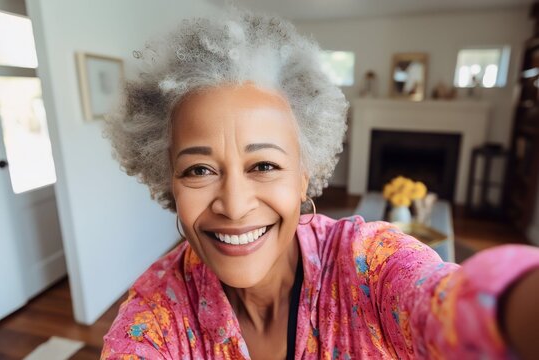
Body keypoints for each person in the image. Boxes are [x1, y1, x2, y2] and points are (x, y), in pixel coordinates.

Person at [100, 9, 539, 360]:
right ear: (169, 182)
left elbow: (450, 307)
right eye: (198, 170)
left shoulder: (368, 265)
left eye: (264, 165)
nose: (234, 205)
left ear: (303, 176)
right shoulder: (154, 319)